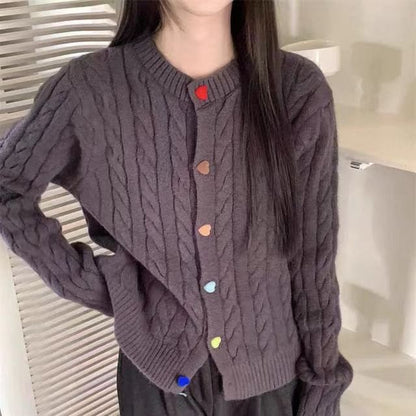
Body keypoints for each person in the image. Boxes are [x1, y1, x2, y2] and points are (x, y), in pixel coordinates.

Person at [0, 0, 353, 415]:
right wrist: (99, 285)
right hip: (155, 382)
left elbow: (313, 257)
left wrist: (323, 382)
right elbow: (7, 187)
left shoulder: (296, 88)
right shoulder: (89, 88)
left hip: (274, 379)